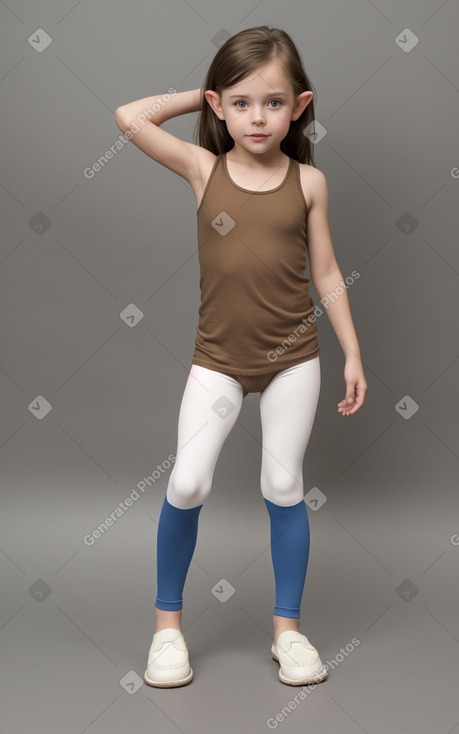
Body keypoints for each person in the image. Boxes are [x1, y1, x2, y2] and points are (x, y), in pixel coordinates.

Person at [115, 25, 367, 688]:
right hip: (218, 361)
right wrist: (203, 100)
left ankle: (288, 632)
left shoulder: (309, 182)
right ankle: (166, 629)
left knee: (283, 486)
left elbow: (328, 274)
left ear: (300, 105)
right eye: (242, 103)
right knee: (189, 483)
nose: (258, 117)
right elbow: (128, 117)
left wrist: (352, 353)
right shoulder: (203, 169)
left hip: (293, 359)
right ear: (218, 106)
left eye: (275, 102)